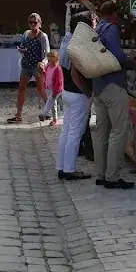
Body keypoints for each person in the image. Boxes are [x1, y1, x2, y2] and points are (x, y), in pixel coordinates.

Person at [92, 1, 136, 189]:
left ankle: (101, 174)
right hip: (113, 85)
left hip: (98, 85)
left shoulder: (96, 30)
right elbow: (117, 55)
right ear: (115, 14)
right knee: (118, 131)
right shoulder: (111, 29)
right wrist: (131, 63)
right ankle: (113, 176)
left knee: (101, 131)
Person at [56, 11, 94, 180]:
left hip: (67, 92)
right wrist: (87, 92)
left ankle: (61, 167)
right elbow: (75, 74)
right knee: (75, 133)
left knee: (66, 131)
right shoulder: (77, 46)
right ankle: (70, 169)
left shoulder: (66, 42)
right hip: (77, 93)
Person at [8, 12, 49, 123]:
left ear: (40, 23)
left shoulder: (43, 36)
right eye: (31, 22)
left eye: (35, 22)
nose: (33, 24)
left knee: (41, 89)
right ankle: (18, 114)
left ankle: (48, 110)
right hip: (26, 65)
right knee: (21, 88)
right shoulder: (26, 34)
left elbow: (47, 53)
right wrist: (22, 50)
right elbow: (23, 45)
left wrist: (43, 63)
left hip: (37, 66)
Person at [39, 50, 63, 125]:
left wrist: (55, 91)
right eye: (48, 59)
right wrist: (42, 70)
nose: (48, 61)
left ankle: (43, 114)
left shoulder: (57, 69)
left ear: (55, 59)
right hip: (49, 88)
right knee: (52, 104)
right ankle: (55, 119)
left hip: (56, 89)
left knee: (49, 101)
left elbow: (59, 82)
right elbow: (46, 75)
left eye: (50, 59)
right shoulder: (48, 67)